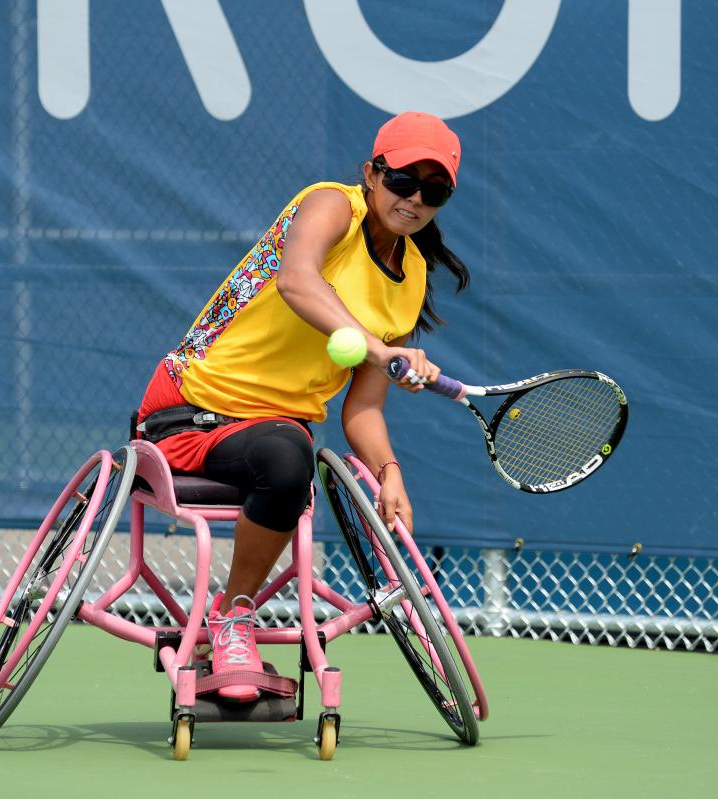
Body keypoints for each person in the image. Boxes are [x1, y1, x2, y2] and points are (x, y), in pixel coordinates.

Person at [136, 111, 470, 701]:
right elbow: (296, 280)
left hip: (270, 436)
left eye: (434, 189)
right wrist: (380, 348)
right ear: (371, 173)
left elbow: (362, 409)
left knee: (292, 453)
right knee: (292, 454)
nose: (415, 198)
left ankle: (229, 615)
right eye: (401, 180)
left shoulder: (411, 277)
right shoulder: (331, 206)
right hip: (189, 407)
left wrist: (390, 473)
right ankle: (235, 619)